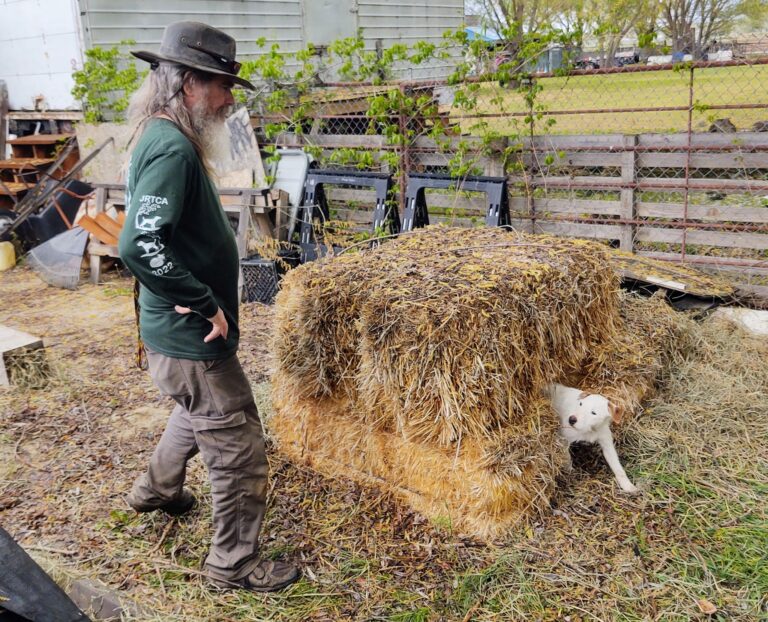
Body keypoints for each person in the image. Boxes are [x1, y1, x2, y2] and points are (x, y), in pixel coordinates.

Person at [118, 21, 299, 593]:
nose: (227, 99)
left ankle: (157, 490)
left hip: (177, 338)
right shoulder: (171, 145)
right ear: (187, 83)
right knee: (237, 443)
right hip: (193, 334)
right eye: (221, 85)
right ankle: (233, 564)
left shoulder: (159, 132)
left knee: (198, 409)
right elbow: (140, 243)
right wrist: (201, 301)